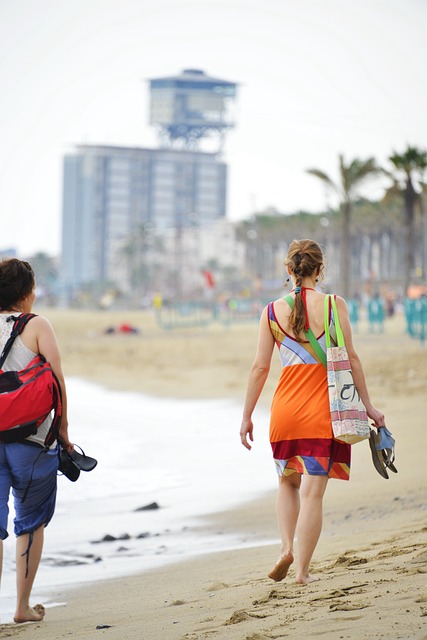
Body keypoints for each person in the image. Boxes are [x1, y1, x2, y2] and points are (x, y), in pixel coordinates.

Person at [240, 239, 384, 585]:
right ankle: (302, 572)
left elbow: (260, 368)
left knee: (287, 484)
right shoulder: (335, 305)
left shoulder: (271, 312)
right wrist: (368, 406)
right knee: (312, 494)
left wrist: (246, 416)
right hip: (324, 412)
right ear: (320, 270)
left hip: (285, 412)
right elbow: (352, 358)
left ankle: (285, 548)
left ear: (289, 271)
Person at [0, 258, 73, 623]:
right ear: (27, 293)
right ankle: (21, 607)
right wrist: (64, 433)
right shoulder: (37, 325)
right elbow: (57, 383)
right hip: (33, 440)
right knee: (30, 522)